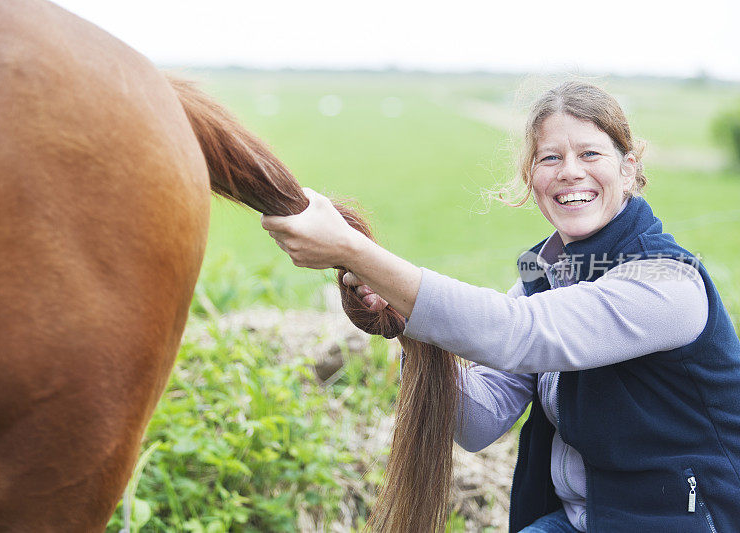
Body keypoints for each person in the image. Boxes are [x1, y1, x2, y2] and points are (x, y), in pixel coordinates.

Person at [260, 81, 740, 532]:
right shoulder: (545, 274)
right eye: (550, 157)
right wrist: (408, 320)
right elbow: (478, 423)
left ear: (628, 167)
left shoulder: (667, 283)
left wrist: (354, 252)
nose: (569, 170)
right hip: (578, 520)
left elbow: (520, 334)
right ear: (531, 177)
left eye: (590, 153)